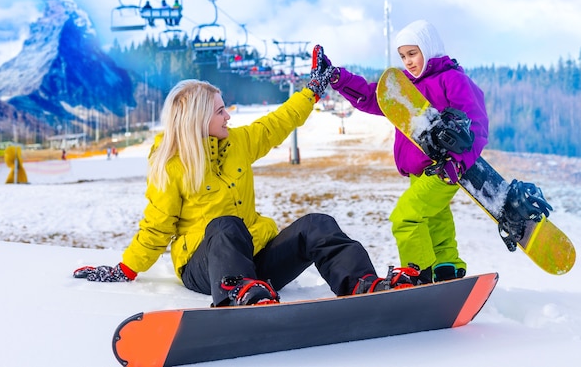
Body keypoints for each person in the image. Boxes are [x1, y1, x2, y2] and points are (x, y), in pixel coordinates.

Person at [73, 47, 423, 307]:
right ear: (198, 120)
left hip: (256, 262)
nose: (227, 115)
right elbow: (157, 225)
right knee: (226, 225)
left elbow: (277, 124)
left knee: (317, 223)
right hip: (205, 267)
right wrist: (126, 268)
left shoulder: (237, 142)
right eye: (220, 110)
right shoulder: (172, 164)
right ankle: (237, 294)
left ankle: (363, 285)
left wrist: (312, 91)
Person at [319, 20, 489, 283]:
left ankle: (417, 272)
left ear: (428, 48)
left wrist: (457, 163)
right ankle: (446, 268)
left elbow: (477, 125)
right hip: (419, 171)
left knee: (406, 217)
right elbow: (372, 97)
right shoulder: (405, 86)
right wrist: (338, 78)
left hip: (445, 168)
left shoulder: (452, 79)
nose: (408, 62)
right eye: (403, 56)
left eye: (413, 53)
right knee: (435, 220)